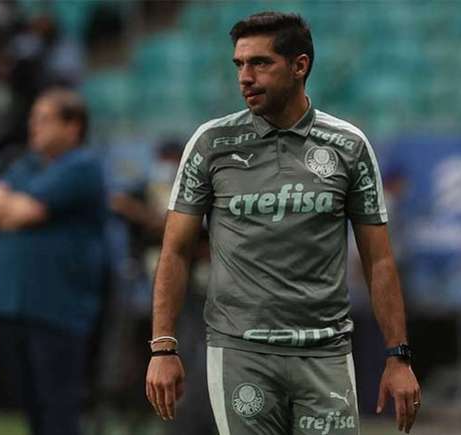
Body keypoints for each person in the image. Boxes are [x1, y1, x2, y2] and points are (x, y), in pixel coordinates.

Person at [145, 12, 420, 435]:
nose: (245, 77)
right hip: (240, 352)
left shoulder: (348, 146)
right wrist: (163, 348)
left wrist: (397, 356)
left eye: (260, 63)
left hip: (325, 352)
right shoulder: (211, 144)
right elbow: (176, 250)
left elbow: (378, 260)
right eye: (239, 64)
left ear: (300, 66)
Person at [0, 88, 106, 435]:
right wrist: (7, 208)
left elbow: (26, 212)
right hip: (16, 305)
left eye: (44, 119)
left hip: (57, 306)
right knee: (31, 408)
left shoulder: (81, 166)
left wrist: (6, 206)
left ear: (73, 126)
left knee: (58, 406)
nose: (34, 126)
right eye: (33, 119)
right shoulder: (27, 164)